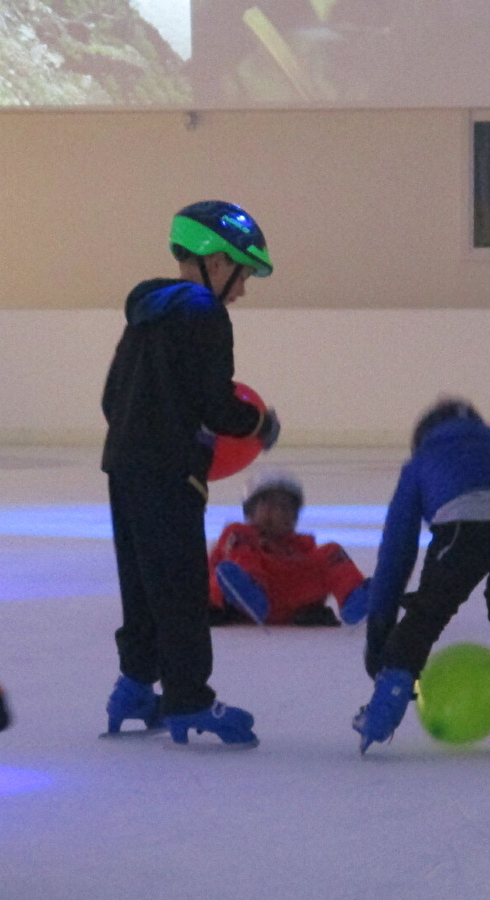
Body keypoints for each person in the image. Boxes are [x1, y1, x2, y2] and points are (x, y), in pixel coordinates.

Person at [100, 200, 281, 746]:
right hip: (170, 470)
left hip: (123, 463)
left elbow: (110, 398)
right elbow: (217, 404)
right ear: (216, 261)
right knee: (179, 587)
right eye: (243, 273)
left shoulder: (146, 311)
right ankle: (187, 701)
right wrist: (259, 421)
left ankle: (134, 686)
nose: (242, 290)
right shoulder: (205, 314)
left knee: (141, 582)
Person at [354, 397, 490, 754]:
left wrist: (380, 630)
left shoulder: (421, 463)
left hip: (465, 516)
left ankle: (383, 711)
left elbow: (396, 552)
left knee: (428, 613)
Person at [208, 470, 370, 627]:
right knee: (230, 561)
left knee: (332, 551)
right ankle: (250, 591)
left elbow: (311, 569)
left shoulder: (300, 546)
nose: (279, 513)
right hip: (249, 597)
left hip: (290, 601)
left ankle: (354, 600)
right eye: (270, 507)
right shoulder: (239, 535)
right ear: (250, 512)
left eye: (286, 508)